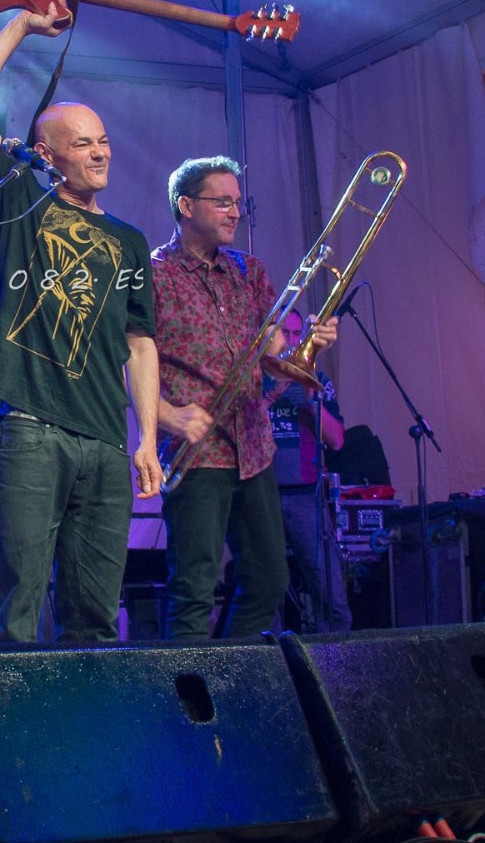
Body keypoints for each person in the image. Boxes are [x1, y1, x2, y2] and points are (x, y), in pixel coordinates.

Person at [0, 0, 161, 644]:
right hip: (32, 430)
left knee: (95, 619)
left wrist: (147, 437)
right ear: (48, 154)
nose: (99, 153)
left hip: (106, 441)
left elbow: (140, 342)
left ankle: (87, 711)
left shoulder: (130, 240)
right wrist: (21, 26)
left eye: (103, 141)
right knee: (16, 614)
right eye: (83, 143)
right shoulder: (22, 199)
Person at [152, 157, 335, 640]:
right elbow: (125, 359)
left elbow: (277, 358)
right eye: (223, 202)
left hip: (253, 449)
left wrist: (310, 346)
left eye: (238, 203)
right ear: (186, 205)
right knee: (193, 590)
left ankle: (228, 673)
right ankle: (187, 685)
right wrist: (166, 416)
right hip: (197, 452)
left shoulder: (248, 270)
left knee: (269, 581)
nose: (235, 212)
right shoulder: (154, 275)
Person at [270, 309, 352, 633]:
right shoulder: (253, 377)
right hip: (262, 494)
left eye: (296, 335)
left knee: (332, 600)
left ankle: (330, 662)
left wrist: (311, 400)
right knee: (265, 599)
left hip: (306, 495)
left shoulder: (318, 380)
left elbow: (337, 440)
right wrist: (274, 390)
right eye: (284, 333)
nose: (291, 341)